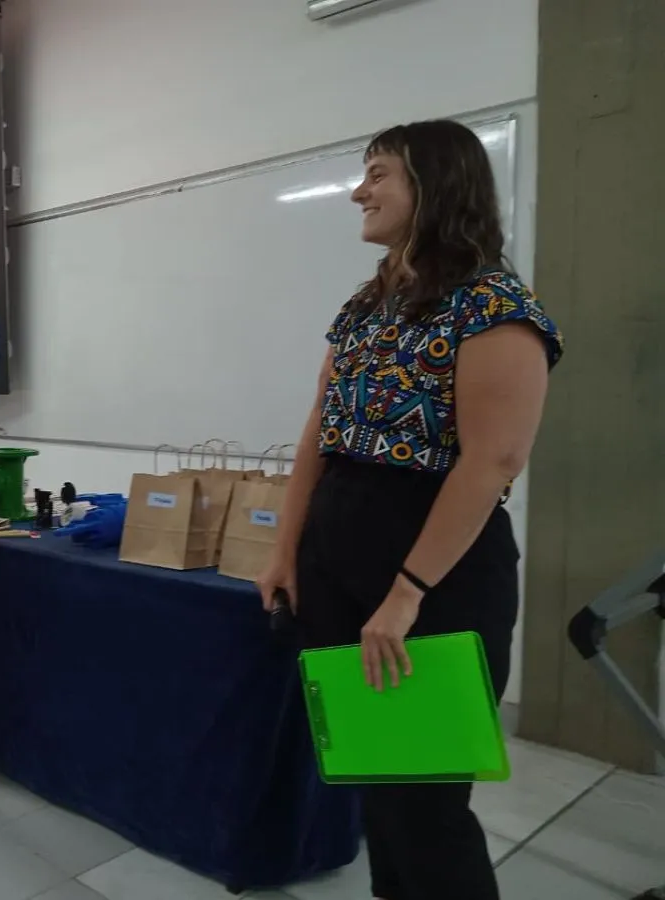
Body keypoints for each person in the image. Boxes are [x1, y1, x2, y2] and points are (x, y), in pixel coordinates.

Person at [256, 120, 563, 900]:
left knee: (426, 803)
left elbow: (493, 461)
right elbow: (320, 432)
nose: (359, 192)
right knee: (376, 781)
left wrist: (405, 594)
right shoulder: (366, 306)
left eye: (378, 173)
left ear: (435, 182)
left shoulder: (493, 305)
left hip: (434, 574)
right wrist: (285, 550)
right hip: (337, 557)